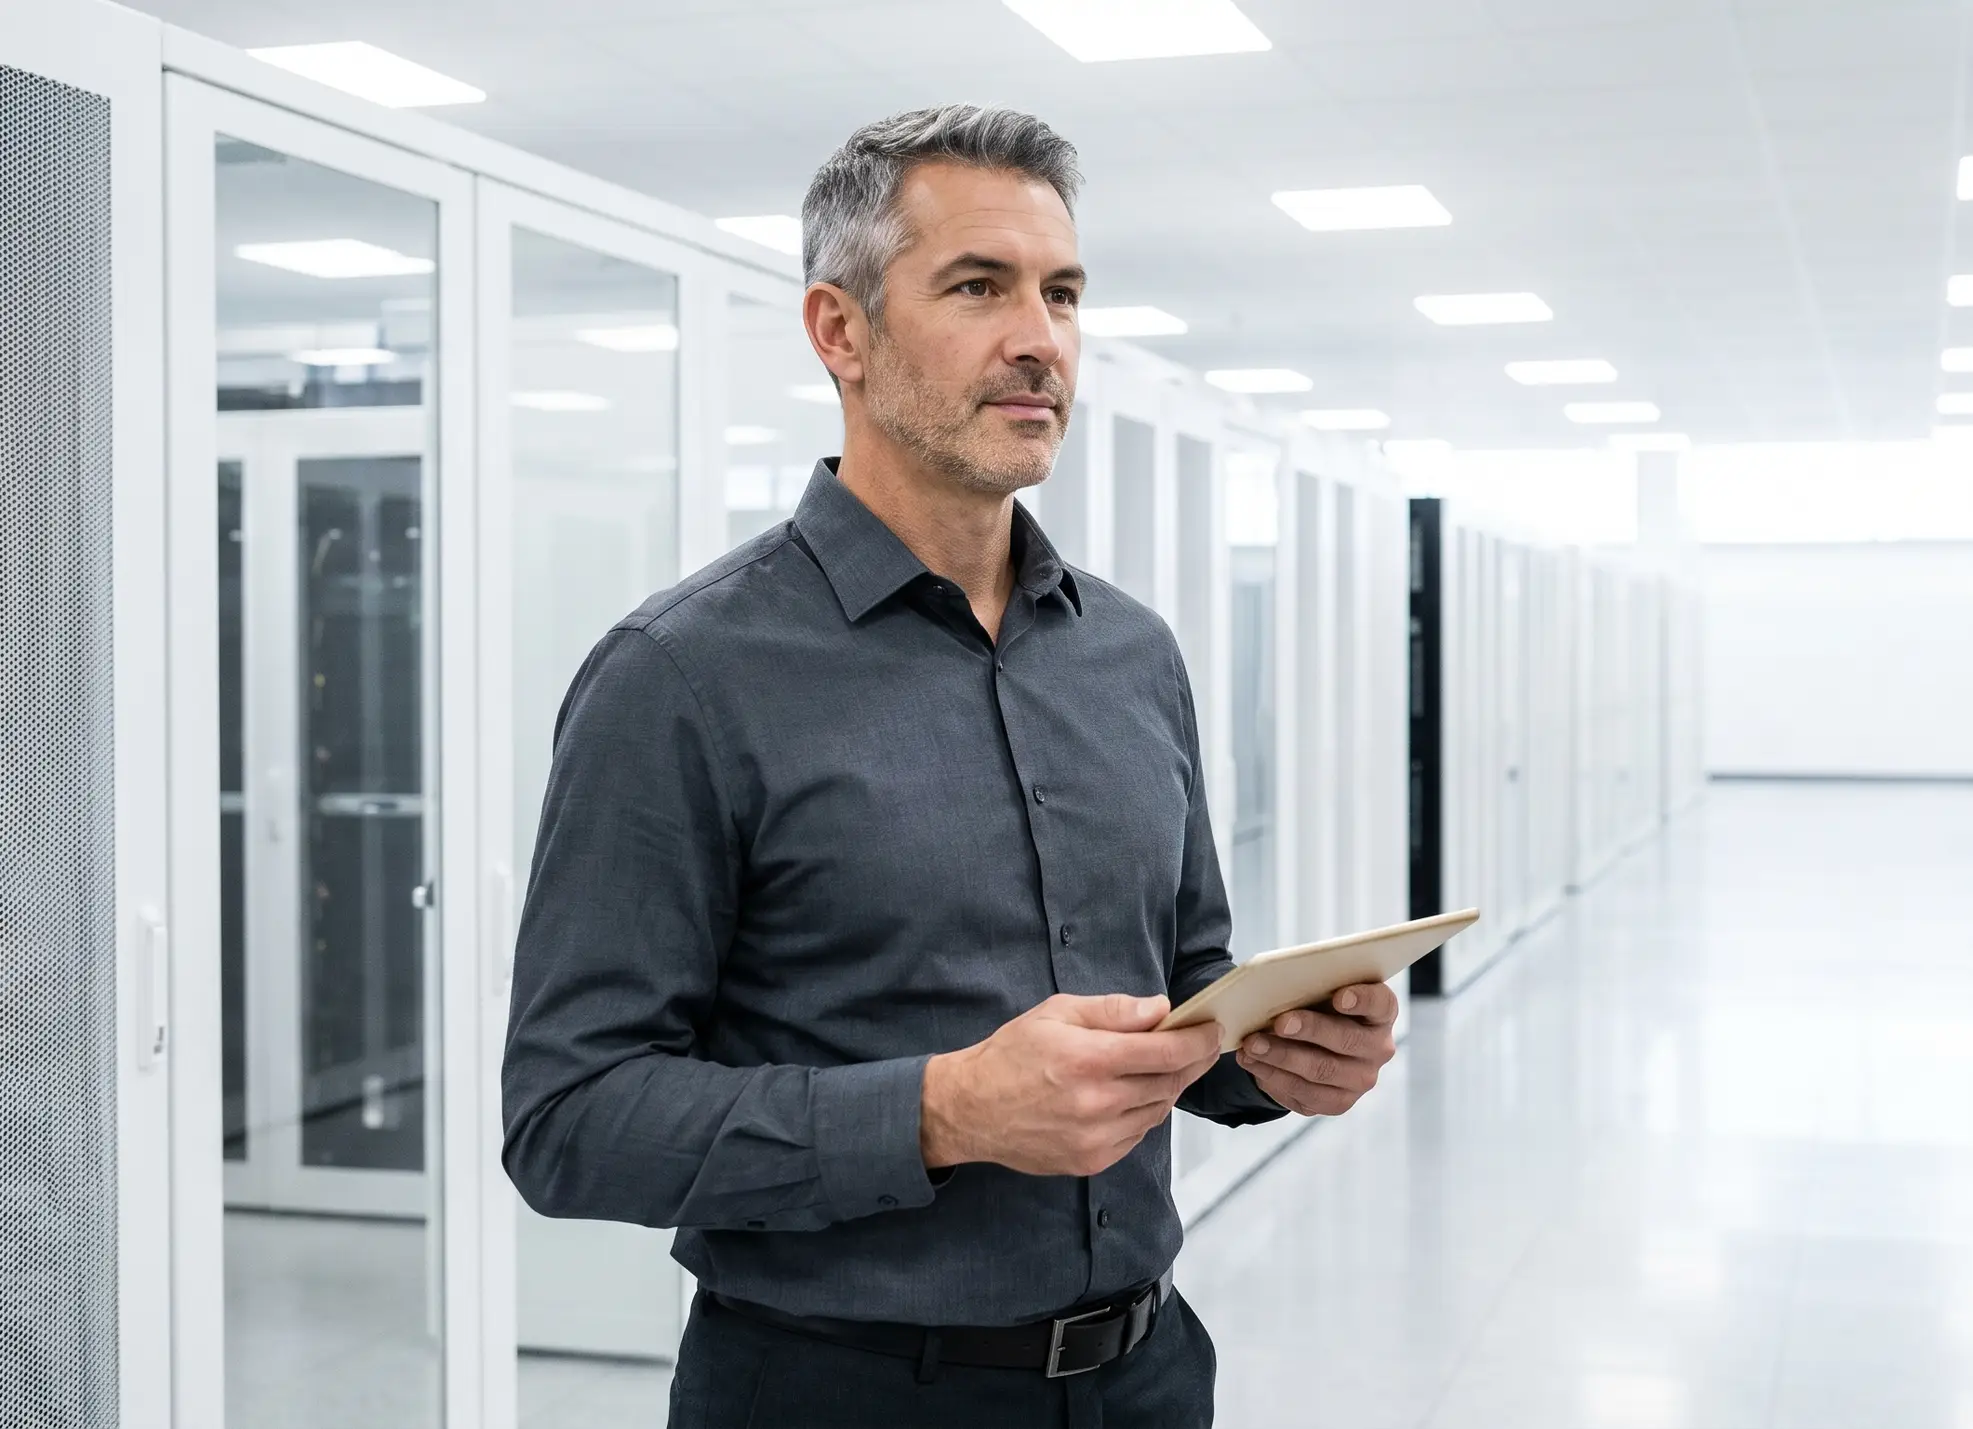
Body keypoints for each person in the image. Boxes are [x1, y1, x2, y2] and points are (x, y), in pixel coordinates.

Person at [499, 104, 1399, 1428]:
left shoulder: (1130, 655)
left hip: (1144, 1378)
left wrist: (1272, 1053)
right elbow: (570, 1120)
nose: (1040, 338)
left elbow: (1186, 997)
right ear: (840, 332)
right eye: (979, 286)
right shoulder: (684, 676)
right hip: (833, 1392)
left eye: (1064, 293)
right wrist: (943, 1110)